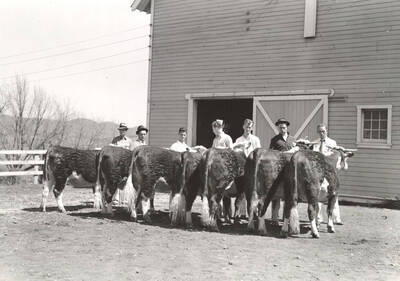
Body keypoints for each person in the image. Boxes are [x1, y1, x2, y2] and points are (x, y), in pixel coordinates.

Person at [312, 124, 343, 225]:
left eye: (323, 131)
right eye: (319, 132)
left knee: (332, 193)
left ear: (326, 131)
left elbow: (335, 156)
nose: (321, 134)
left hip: (329, 171)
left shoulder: (332, 143)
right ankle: (319, 217)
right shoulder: (315, 143)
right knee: (319, 192)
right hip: (318, 171)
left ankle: (336, 218)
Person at [269, 118, 296, 225]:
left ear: (287, 127)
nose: (282, 129)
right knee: (276, 193)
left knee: (290, 193)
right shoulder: (274, 140)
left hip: (290, 169)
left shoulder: (293, 139)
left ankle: (287, 217)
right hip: (278, 168)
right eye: (280, 127)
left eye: (284, 127)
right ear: (278, 128)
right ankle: (274, 218)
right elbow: (271, 153)